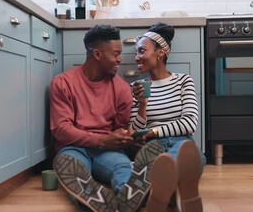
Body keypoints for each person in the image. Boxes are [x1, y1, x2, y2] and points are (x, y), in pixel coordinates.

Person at [50, 24, 164, 212]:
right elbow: (61, 130)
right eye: (115, 54)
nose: (120, 59)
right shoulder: (63, 83)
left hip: (107, 149)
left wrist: (126, 139)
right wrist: (102, 139)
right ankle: (92, 200)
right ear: (97, 54)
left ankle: (131, 196)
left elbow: (119, 127)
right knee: (73, 168)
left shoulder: (121, 88)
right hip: (73, 148)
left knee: (123, 168)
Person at [129, 22, 206, 211]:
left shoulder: (183, 81)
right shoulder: (137, 87)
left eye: (141, 51)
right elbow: (135, 130)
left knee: (191, 155)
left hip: (180, 142)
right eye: (136, 52)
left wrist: (153, 132)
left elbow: (190, 123)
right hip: (150, 146)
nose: (136, 57)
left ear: (160, 52)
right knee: (175, 161)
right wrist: (142, 105)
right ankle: (168, 188)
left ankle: (158, 186)